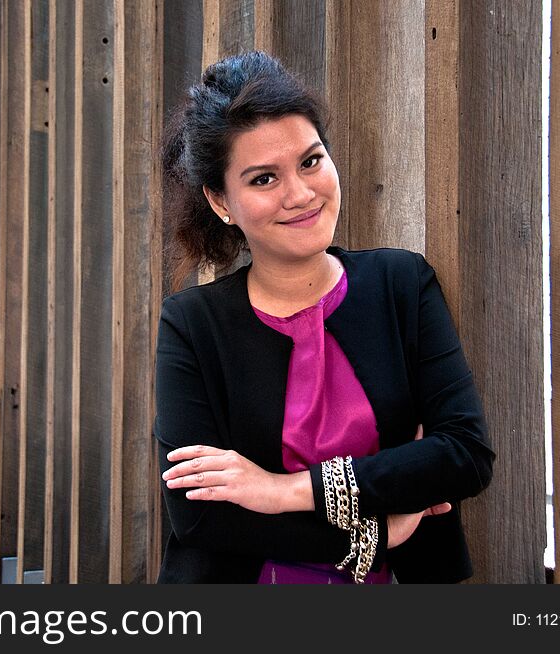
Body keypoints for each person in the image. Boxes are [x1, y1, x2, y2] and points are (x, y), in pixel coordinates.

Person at [154, 51, 495, 583]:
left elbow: (463, 455)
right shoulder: (192, 324)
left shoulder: (402, 284)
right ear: (221, 201)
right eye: (264, 179)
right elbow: (202, 517)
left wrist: (281, 490)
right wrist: (381, 530)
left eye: (311, 161)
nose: (301, 194)